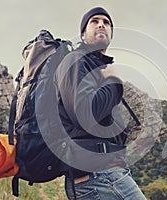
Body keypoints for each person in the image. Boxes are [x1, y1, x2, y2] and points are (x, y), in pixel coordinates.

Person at [55, 7, 147, 200]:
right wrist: (113, 81)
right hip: (99, 177)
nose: (101, 25)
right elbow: (86, 114)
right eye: (94, 21)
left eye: (106, 23)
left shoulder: (94, 68)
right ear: (83, 34)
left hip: (100, 176)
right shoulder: (75, 60)